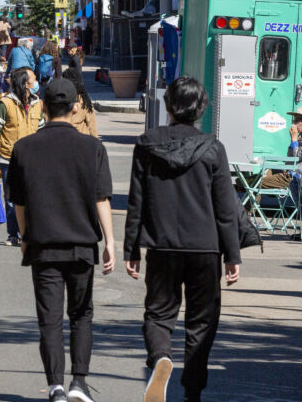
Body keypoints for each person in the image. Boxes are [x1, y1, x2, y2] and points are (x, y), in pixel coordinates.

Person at [125, 76, 242, 402]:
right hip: (205, 248)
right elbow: (225, 208)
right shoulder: (213, 148)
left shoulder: (147, 144)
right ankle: (192, 392)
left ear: (167, 104)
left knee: (159, 314)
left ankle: (161, 357)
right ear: (201, 108)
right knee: (201, 321)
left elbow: (137, 200)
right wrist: (232, 254)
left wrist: (131, 247)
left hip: (162, 246)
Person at [7, 77, 115, 402]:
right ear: (75, 106)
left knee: (50, 318)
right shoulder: (93, 147)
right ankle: (79, 384)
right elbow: (101, 199)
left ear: (44, 106)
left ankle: (55, 385)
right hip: (82, 244)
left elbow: (19, 203)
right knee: (81, 315)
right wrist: (110, 240)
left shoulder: (23, 147)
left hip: (43, 244)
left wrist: (25, 237)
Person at [0, 68, 46, 247]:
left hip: (33, 160)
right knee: (10, 200)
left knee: (32, 197)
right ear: (25, 84)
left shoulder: (38, 103)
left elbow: (42, 130)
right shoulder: (6, 103)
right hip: (9, 158)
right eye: (33, 79)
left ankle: (30, 233)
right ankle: (13, 234)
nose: (36, 82)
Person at [62, 68, 97, 138]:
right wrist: (96, 143)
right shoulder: (84, 101)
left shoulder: (59, 99)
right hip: (82, 139)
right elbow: (92, 126)